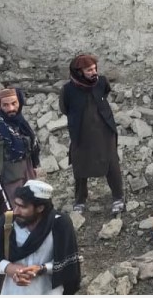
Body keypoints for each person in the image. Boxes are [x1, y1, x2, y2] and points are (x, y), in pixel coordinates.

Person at [0, 180, 81, 295]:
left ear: (40, 208)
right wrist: (10, 268)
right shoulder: (7, 222)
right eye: (16, 205)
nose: (16, 211)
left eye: (23, 207)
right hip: (12, 291)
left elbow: (68, 264)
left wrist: (41, 269)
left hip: (48, 291)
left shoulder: (59, 224)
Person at [59, 54, 124, 215]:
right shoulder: (68, 90)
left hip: (104, 131)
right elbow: (64, 108)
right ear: (78, 72)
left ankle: (118, 197)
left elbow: (105, 93)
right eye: (89, 70)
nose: (94, 72)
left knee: (111, 163)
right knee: (80, 165)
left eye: (95, 68)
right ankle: (80, 200)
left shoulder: (101, 82)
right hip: (81, 133)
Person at [0, 88, 40, 228]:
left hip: (27, 179)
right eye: (5, 105)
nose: (11, 108)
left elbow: (30, 151)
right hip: (6, 185)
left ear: (20, 102)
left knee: (29, 217)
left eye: (14, 103)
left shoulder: (22, 125)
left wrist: (34, 168)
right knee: (8, 223)